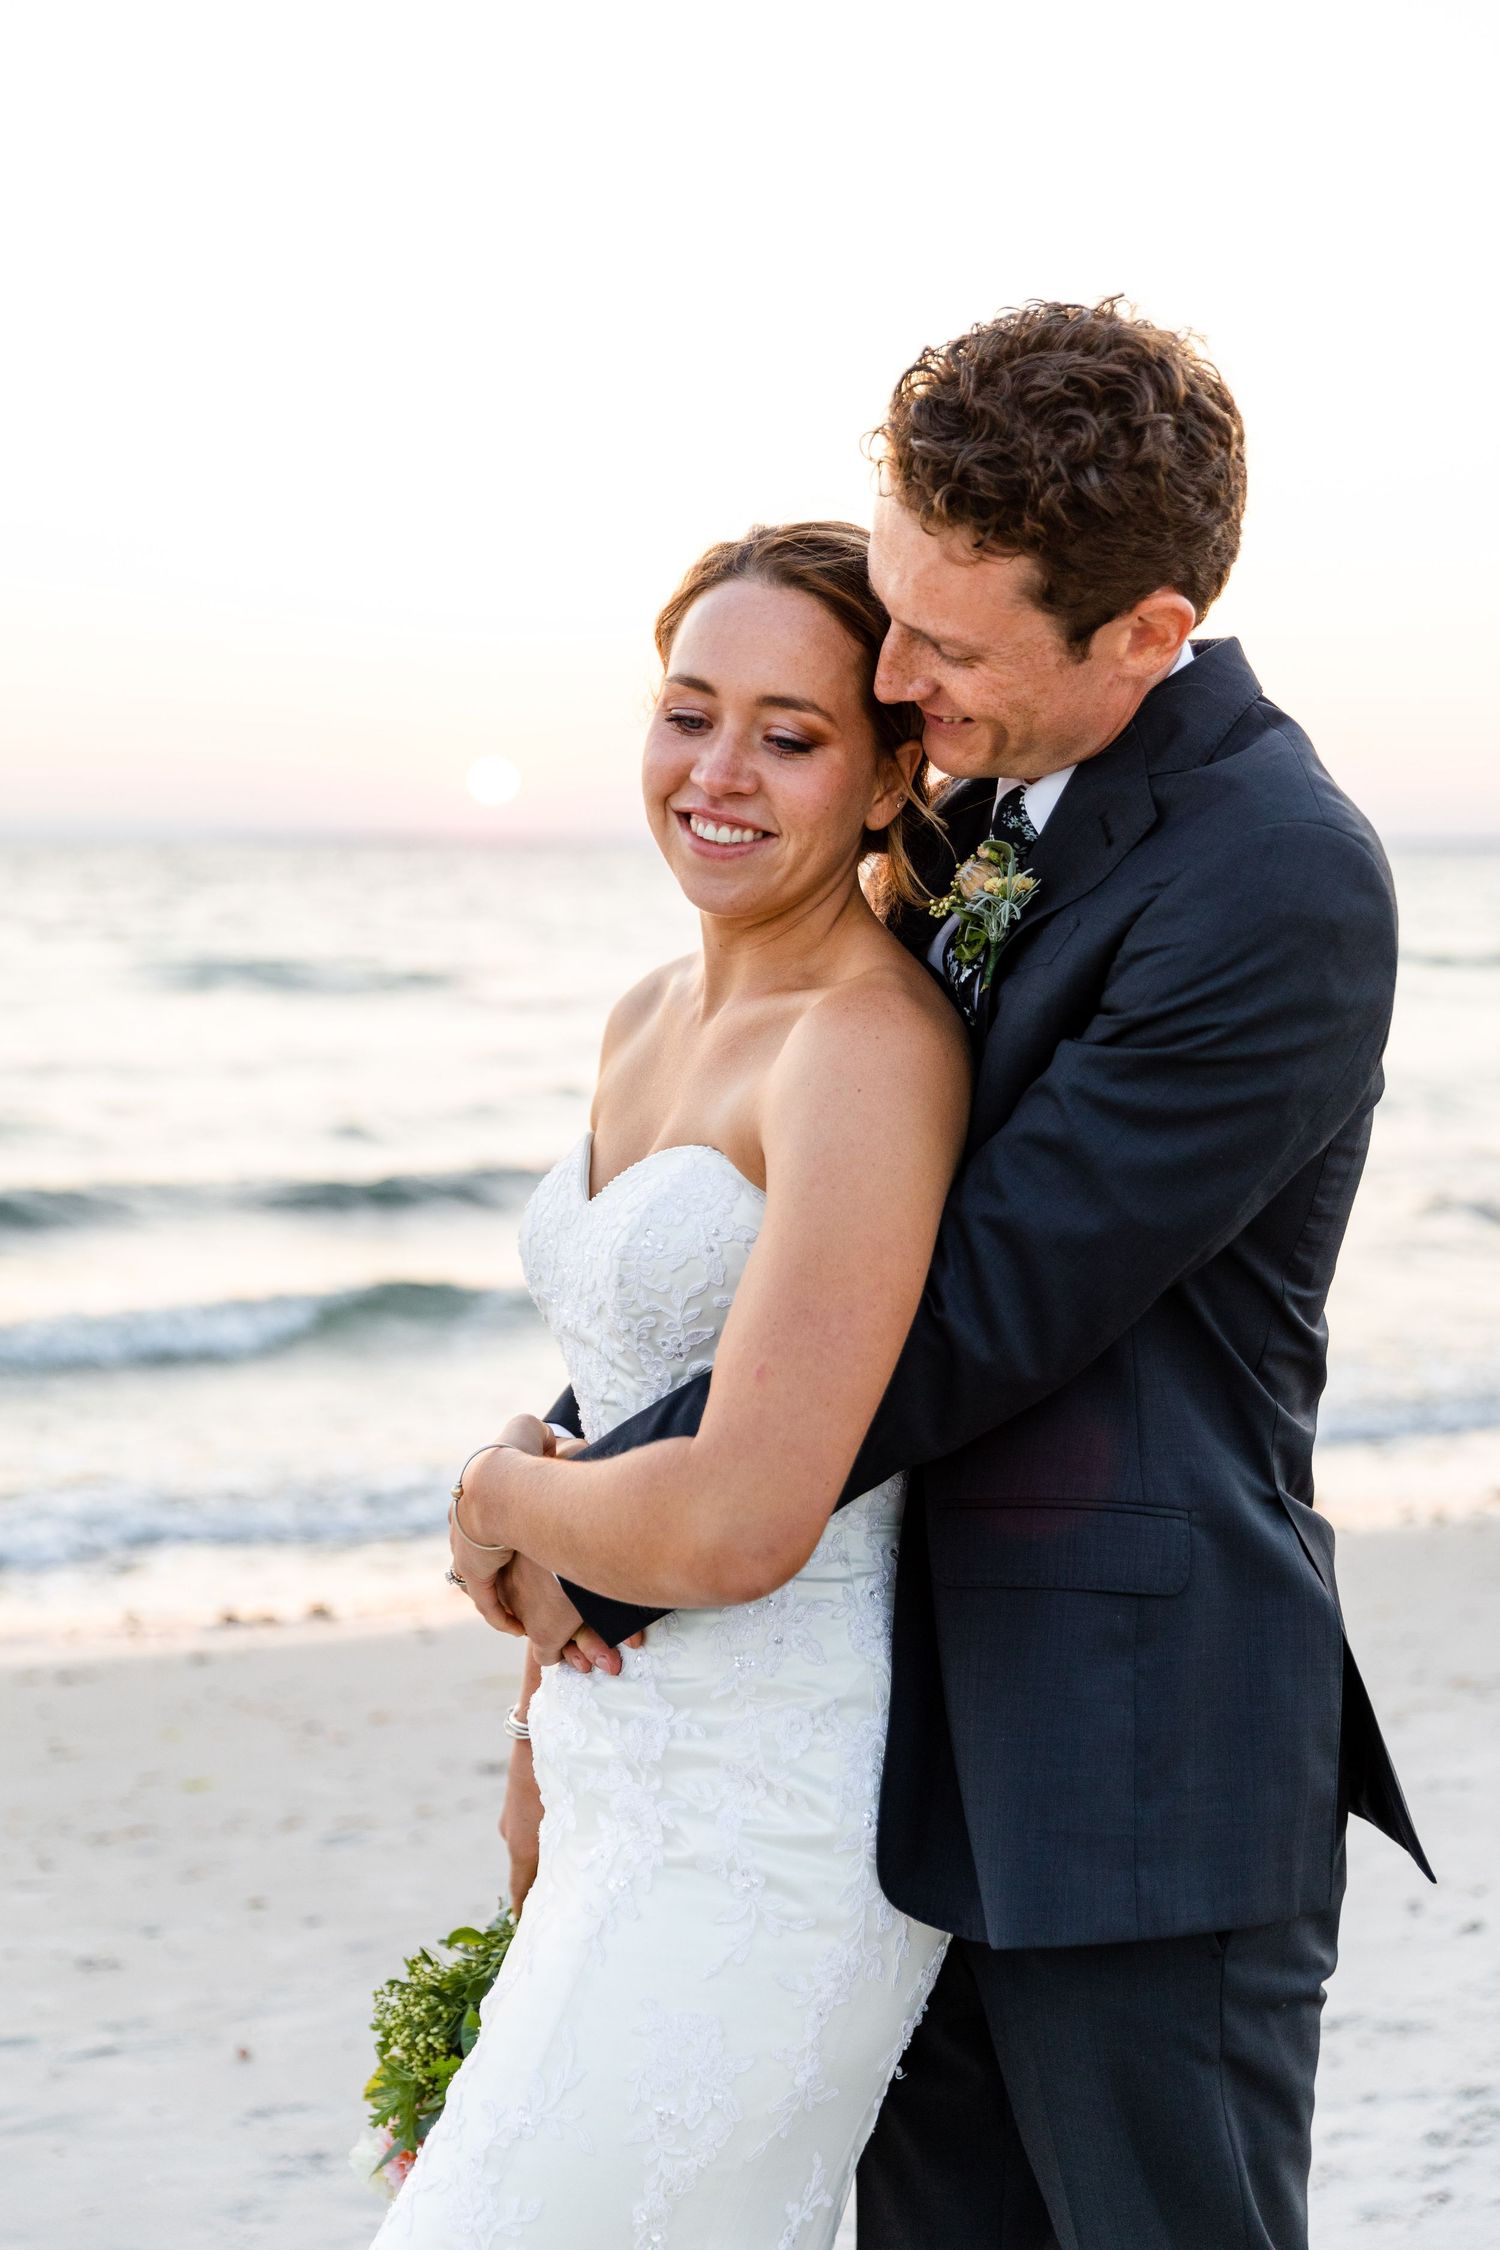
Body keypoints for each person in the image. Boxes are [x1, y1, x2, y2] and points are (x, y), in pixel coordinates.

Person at [490, 301, 1432, 2250]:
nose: (897, 673)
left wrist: (591, 1512)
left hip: (1131, 1758)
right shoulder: (991, 799)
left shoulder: (1275, 877)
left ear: (1148, 633)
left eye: (949, 639)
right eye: (895, 607)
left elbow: (984, 1297)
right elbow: (799, 1223)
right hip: (884, 1764)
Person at [371, 521, 972, 2247]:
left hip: (777, 1817)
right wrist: (539, 1733)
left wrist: (493, 1497)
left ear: (881, 781)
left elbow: (741, 1512)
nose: (720, 772)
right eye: (687, 711)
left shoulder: (866, 1048)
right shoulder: (644, 1016)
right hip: (618, 1761)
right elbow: (626, 1377)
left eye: (789, 735)